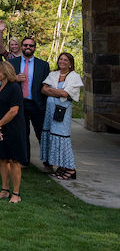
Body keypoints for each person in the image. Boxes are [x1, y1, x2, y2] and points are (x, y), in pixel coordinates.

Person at [40, 52, 83, 181]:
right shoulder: (53, 74)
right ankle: (62, 166)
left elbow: (65, 94)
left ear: (70, 63)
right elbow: (43, 90)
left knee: (61, 137)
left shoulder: (74, 77)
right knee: (51, 135)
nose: (62, 61)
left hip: (62, 111)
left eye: (65, 60)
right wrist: (57, 92)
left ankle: (70, 168)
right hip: (50, 110)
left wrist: (52, 91)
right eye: (60, 59)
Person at [10, 37, 50, 166]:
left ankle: (47, 162)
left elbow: (47, 85)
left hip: (36, 103)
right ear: (21, 47)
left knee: (42, 134)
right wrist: (14, 78)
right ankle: (24, 160)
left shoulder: (43, 65)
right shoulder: (13, 63)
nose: (28, 47)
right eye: (25, 45)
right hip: (19, 103)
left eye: (31, 46)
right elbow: (5, 81)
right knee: (22, 133)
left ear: (35, 48)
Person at [0, 61, 25, 202]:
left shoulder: (14, 88)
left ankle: (16, 193)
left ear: (6, 73)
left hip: (13, 129)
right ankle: (4, 190)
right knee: (3, 159)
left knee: (14, 160)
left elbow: (13, 111)